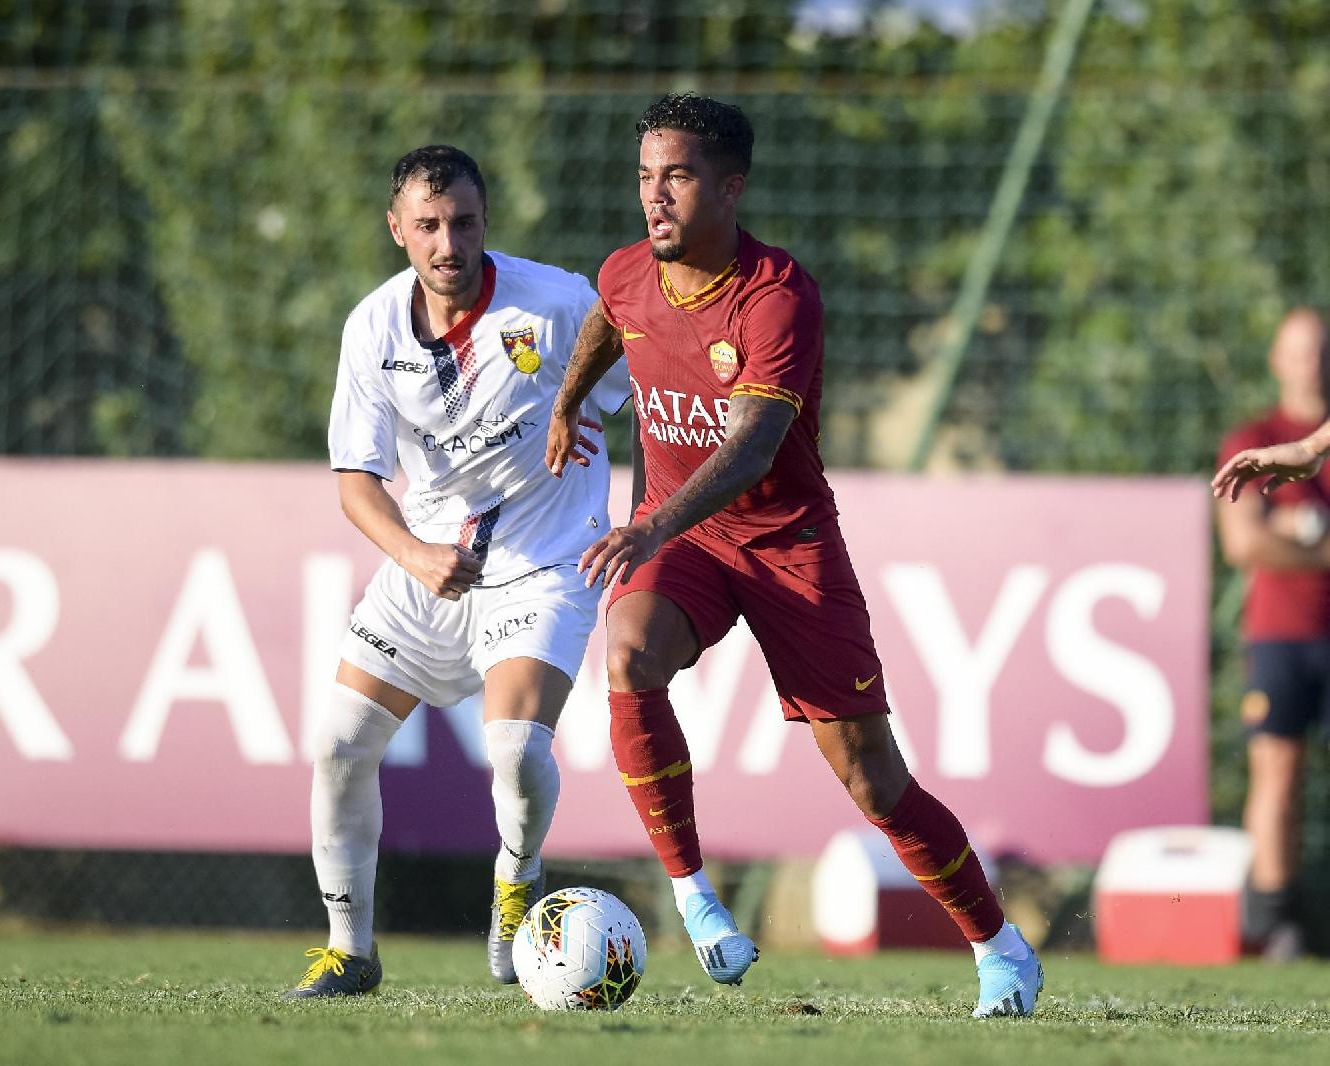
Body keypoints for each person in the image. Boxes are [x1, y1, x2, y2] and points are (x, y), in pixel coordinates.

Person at [544, 94, 1042, 1017]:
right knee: (627, 656)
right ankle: (694, 899)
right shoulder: (626, 274)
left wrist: (649, 525)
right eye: (647, 176)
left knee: (874, 779)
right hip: (684, 536)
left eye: (679, 177)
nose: (656, 197)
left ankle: (1000, 947)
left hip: (789, 548)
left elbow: (751, 450)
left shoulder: (778, 294)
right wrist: (573, 399)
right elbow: (609, 315)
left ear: (731, 188)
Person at [287, 145, 631, 998]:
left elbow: (643, 388)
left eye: (465, 223)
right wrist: (413, 554)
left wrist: (639, 492)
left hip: (546, 559)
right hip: (431, 563)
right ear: (397, 228)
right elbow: (355, 482)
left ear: (487, 224)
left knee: (513, 749)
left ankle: (517, 880)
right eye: (430, 225)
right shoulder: (371, 327)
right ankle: (350, 951)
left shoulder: (555, 304)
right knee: (337, 746)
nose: (449, 243)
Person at [1212, 308, 1330, 959]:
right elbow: (1245, 541)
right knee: (1278, 771)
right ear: (1276, 360)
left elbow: (1275, 534)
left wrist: (1299, 534)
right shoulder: (1254, 436)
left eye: (1322, 350)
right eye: (1300, 351)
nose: (1312, 363)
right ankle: (1278, 918)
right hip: (1282, 632)